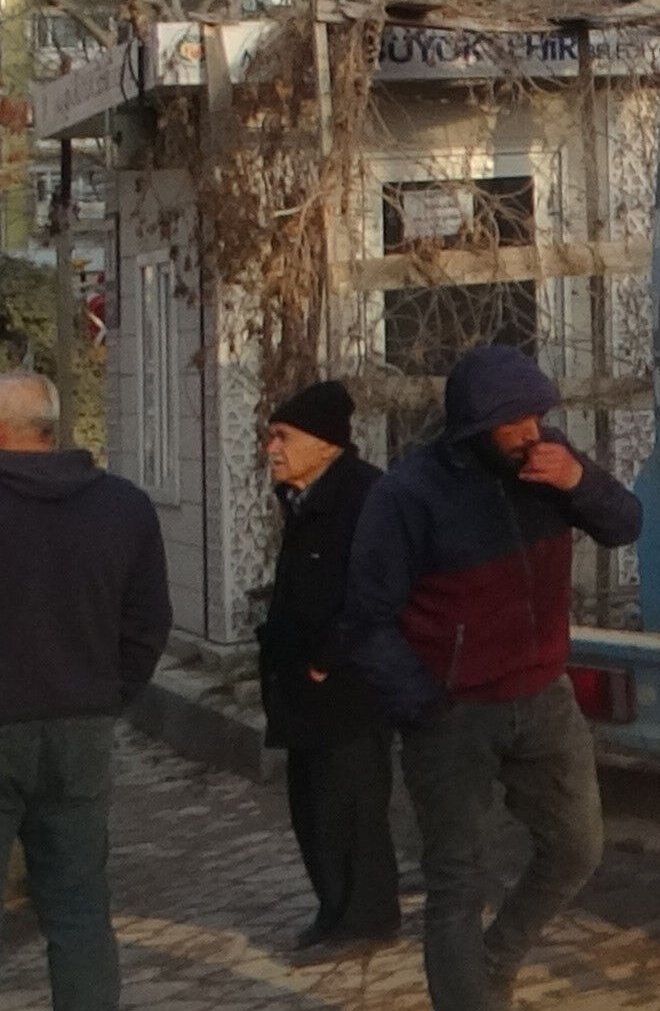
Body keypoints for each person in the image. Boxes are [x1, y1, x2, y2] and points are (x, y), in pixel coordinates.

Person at [343, 346, 640, 1011]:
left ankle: (495, 962)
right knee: (457, 882)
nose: (532, 431)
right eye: (516, 422)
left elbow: (626, 524)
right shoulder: (407, 495)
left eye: (539, 415)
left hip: (542, 695)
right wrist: (424, 705)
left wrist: (577, 482)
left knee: (576, 849)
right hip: (452, 713)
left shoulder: (550, 462)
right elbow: (366, 620)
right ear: (475, 429)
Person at [0, 365, 168, 1011]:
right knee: (77, 906)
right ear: (52, 427)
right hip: (83, 725)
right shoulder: (123, 505)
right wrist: (108, 692)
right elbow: (150, 621)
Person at [259, 379, 399, 956]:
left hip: (347, 687)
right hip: (303, 689)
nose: (271, 448)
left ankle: (366, 917)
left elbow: (376, 594)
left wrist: (325, 660)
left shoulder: (365, 498)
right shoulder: (302, 497)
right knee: (313, 805)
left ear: (324, 444)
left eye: (283, 436)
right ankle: (335, 911)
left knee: (352, 806)